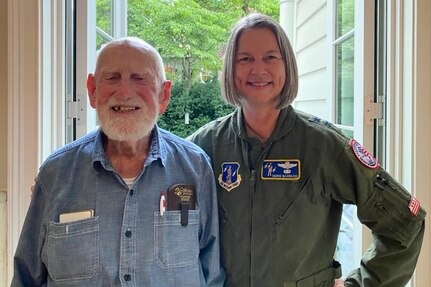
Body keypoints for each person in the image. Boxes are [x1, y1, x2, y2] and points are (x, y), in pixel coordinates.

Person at [188, 13, 426, 287]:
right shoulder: (203, 147)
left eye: (270, 57)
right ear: (230, 69)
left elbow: (405, 222)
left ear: (287, 65)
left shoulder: (323, 146)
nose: (258, 69)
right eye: (245, 59)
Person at [12, 37, 225, 286]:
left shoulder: (195, 168)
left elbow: (213, 276)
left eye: (139, 78)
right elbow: (26, 277)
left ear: (163, 95)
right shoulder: (55, 174)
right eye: (112, 77)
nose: (124, 92)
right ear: (92, 90)